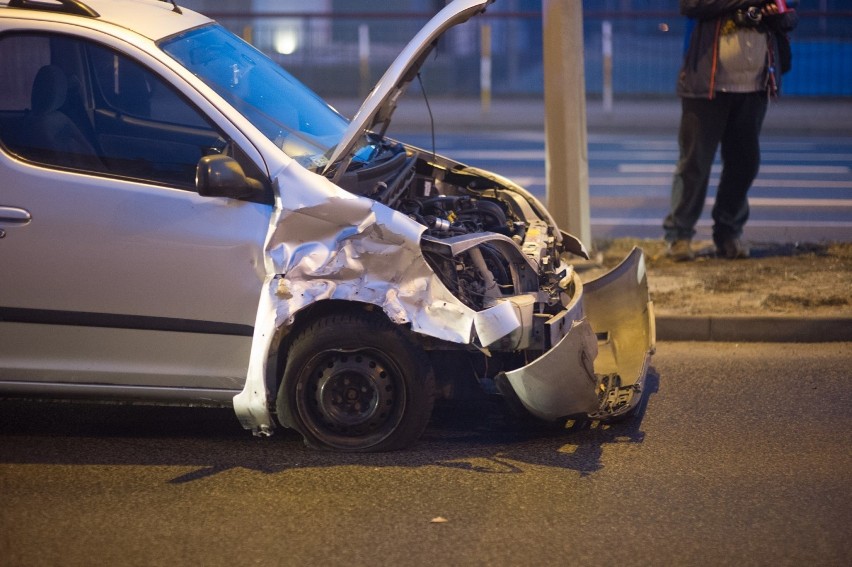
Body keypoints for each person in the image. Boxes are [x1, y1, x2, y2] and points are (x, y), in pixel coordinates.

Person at [663, 0, 798, 261]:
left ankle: (728, 234)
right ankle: (679, 236)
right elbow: (691, 5)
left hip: (755, 85)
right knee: (694, 163)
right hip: (706, 85)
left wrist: (775, 15)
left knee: (744, 164)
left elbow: (791, 14)